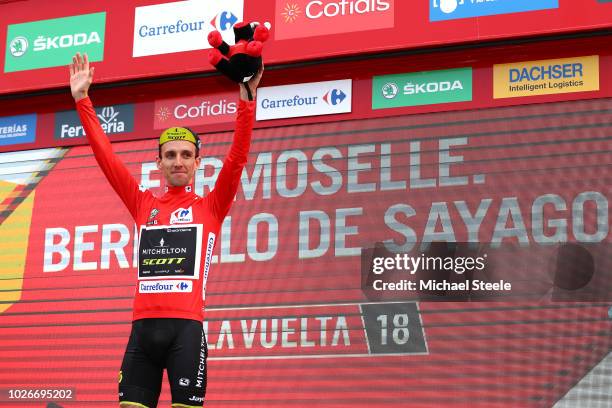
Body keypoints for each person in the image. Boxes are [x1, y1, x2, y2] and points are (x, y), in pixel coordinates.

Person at [69, 52, 262, 408]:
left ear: (198, 162)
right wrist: (82, 99)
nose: (178, 161)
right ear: (158, 162)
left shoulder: (211, 206)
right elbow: (106, 157)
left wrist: (247, 98)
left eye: (186, 155)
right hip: (142, 332)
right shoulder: (143, 203)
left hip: (185, 332)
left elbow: (237, 157)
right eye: (170, 154)